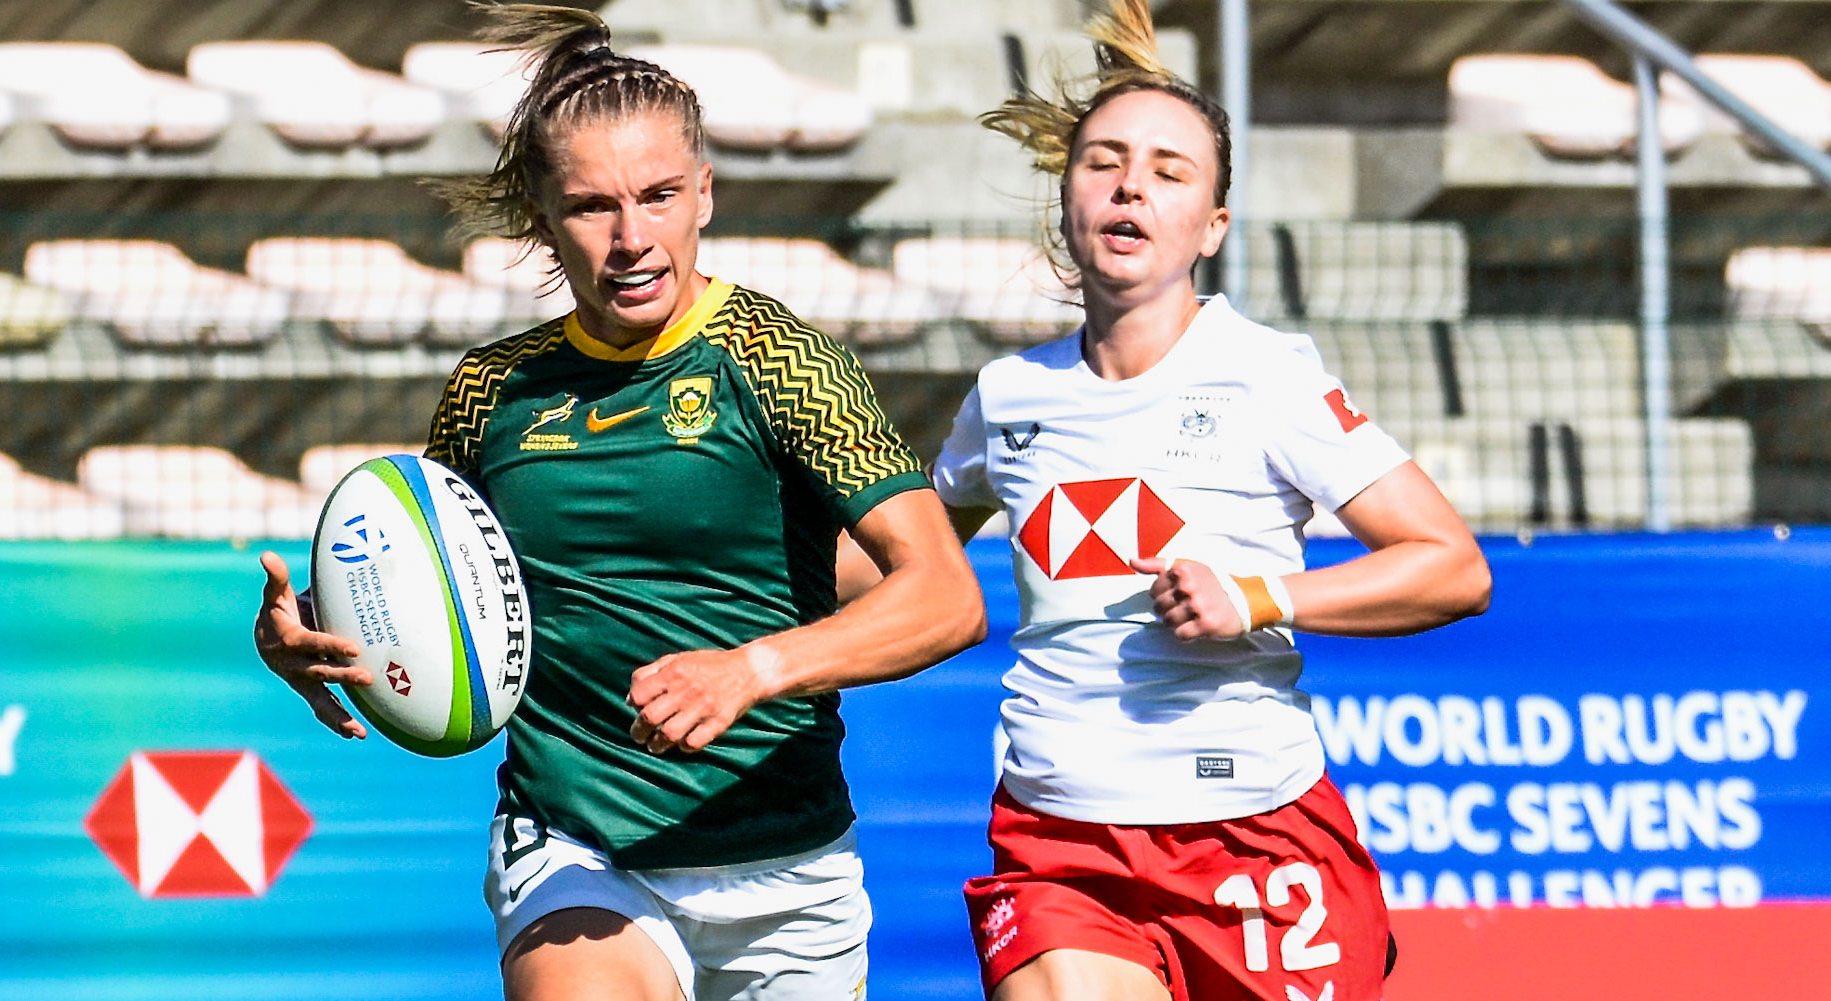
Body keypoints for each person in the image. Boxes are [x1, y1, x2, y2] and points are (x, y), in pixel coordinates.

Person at [251, 6, 986, 1000]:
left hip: (786, 865)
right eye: (593, 206)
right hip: (577, 846)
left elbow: (945, 596)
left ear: (704, 193)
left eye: (659, 196)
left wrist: (752, 669)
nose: (632, 238)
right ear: (542, 216)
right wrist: (317, 630)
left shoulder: (778, 358)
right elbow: (441, 591)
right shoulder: (492, 392)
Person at [928, 2, 1493, 1000]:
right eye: (1103, 162)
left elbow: (1452, 567)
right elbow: (904, 560)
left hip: (1249, 834)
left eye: (1168, 170)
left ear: (1212, 226)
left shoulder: (1266, 374)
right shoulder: (1006, 394)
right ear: (1066, 194)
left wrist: (1257, 596)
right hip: (1059, 843)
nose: (1129, 185)